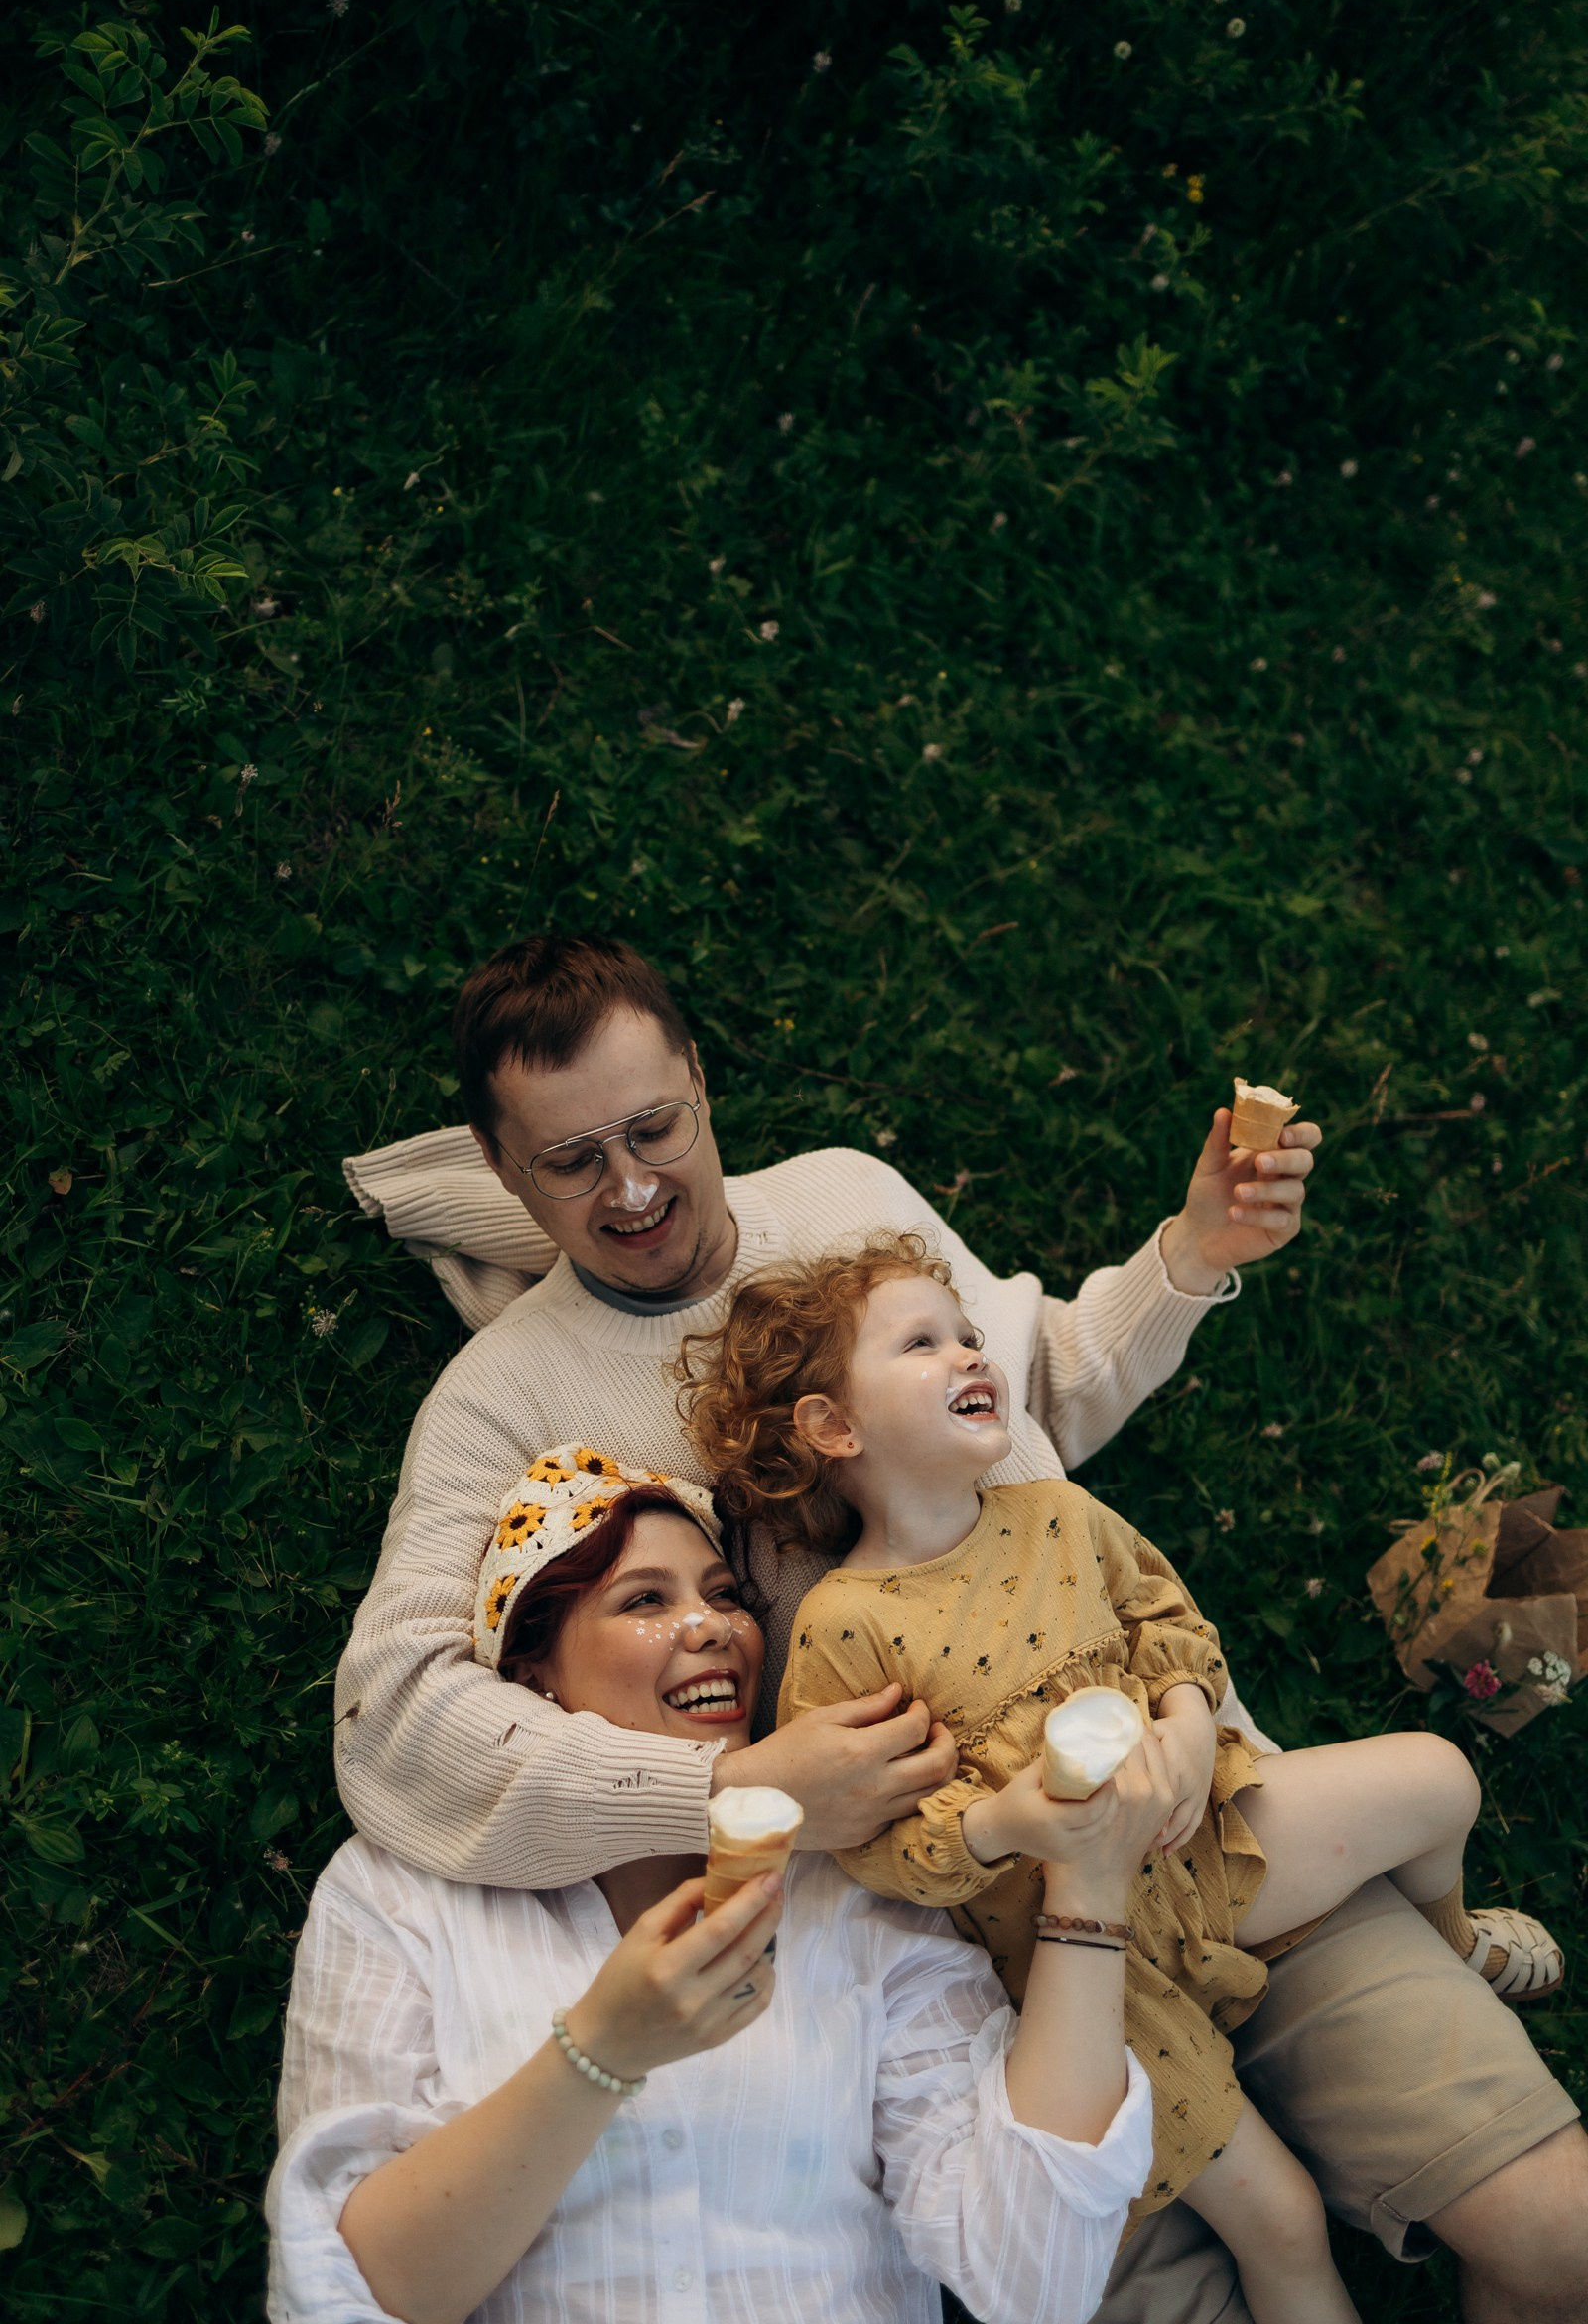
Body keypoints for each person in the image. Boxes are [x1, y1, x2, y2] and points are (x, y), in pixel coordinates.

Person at [336, 933, 1587, 2324]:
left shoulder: (845, 1196)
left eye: (653, 1129)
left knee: (1560, 2243)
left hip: (1210, 1827)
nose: (631, 1187)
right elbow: (395, 1723)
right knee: (1233, 2261)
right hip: (999, 1967)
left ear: (698, 1080)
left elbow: (1024, 1390)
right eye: (572, 1161)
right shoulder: (499, 1399)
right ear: (501, 1170)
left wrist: (1187, 1257)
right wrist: (736, 1787)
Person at [679, 1232, 1565, 2324]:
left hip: (1206, 1841)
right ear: (833, 1427)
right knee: (1281, 2222)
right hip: (1085, 1956)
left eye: (968, 1335)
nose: (970, 1355)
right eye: (923, 1344)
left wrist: (1188, 1721)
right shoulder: (844, 1622)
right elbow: (870, 1840)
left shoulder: (1054, 1516)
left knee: (1438, 1777)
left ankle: (1452, 1940)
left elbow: (1162, 1615)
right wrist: (1004, 1823)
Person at [268, 1451, 1168, 2324]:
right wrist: (599, 2052)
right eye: (645, 1601)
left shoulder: (851, 1892)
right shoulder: (400, 1894)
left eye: (726, 1595)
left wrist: (1089, 1885)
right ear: (529, 1671)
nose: (713, 1628)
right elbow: (350, 2294)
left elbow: (1035, 2278)